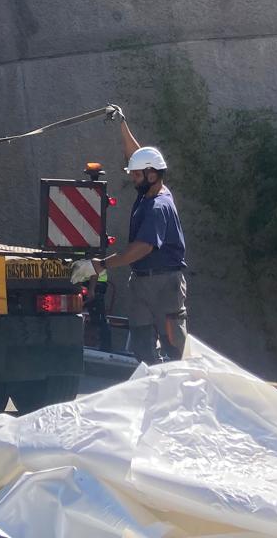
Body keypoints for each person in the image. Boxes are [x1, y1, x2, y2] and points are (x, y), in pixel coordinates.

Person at [94, 106, 187, 364]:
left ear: (152, 175)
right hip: (143, 281)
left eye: (136, 174)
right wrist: (122, 123)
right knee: (143, 346)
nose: (133, 178)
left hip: (165, 284)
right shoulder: (149, 189)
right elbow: (136, 156)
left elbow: (143, 247)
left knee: (173, 349)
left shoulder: (158, 206)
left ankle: (172, 384)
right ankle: (154, 378)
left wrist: (103, 264)